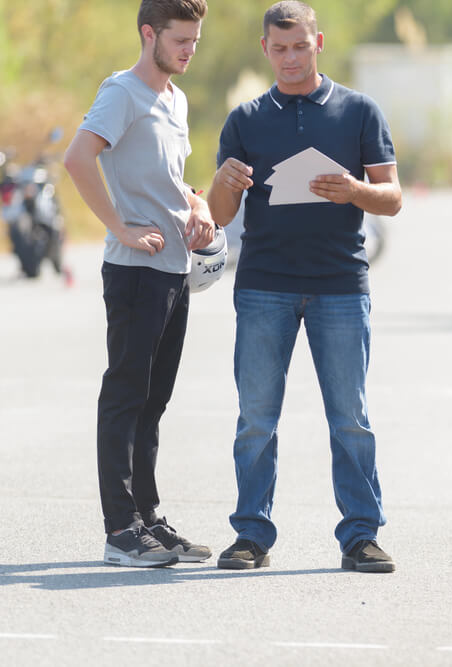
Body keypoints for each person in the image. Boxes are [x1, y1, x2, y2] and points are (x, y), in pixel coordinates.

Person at [207, 1, 402, 572]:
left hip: (341, 282)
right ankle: (251, 535)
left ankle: (360, 535)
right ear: (265, 49)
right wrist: (223, 182)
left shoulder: (359, 111)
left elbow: (392, 198)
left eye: (300, 46)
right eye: (279, 47)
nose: (290, 58)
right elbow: (219, 215)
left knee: (350, 419)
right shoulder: (244, 119)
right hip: (264, 284)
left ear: (319, 44)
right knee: (256, 419)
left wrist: (354, 191)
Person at [63, 0, 214, 566]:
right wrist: (119, 227)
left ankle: (148, 519)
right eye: (179, 39)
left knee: (154, 402)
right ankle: (120, 530)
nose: (188, 50)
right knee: (125, 398)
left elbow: (173, 180)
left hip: (175, 271)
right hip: (133, 273)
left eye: (195, 41)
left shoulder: (175, 100)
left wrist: (197, 203)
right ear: (148, 32)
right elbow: (79, 158)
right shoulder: (122, 92)